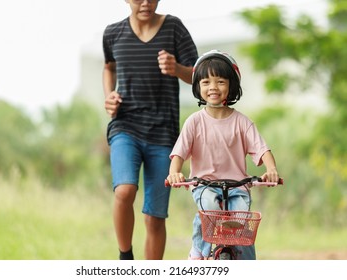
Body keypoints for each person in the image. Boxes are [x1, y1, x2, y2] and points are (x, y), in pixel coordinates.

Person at [102, 0, 198, 260]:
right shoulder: (113, 33)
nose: (145, 3)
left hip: (163, 133)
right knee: (124, 190)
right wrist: (109, 95)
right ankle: (126, 257)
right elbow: (109, 67)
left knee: (154, 217)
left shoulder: (174, 28)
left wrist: (176, 68)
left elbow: (198, 74)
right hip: (125, 125)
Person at [166, 50, 280, 260]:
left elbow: (262, 149)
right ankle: (198, 251)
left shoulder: (242, 122)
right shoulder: (194, 122)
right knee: (209, 208)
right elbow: (179, 153)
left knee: (241, 223)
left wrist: (271, 169)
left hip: (238, 187)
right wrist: (174, 173)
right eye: (206, 82)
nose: (213, 88)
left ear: (231, 86)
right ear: (198, 87)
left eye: (220, 81)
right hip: (205, 185)